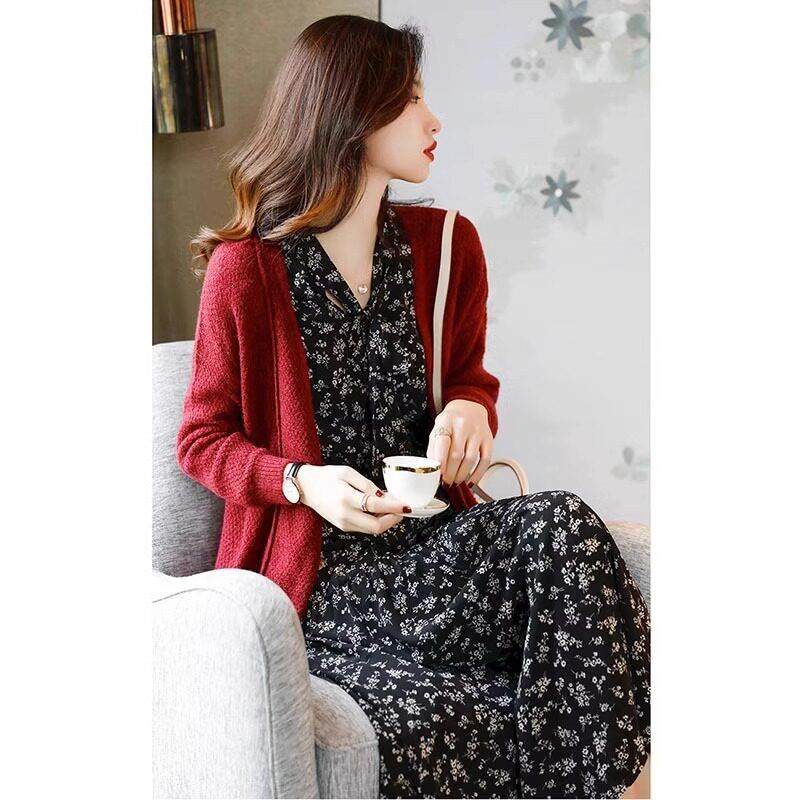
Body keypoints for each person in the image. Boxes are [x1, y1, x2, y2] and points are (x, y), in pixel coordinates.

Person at [178, 14, 650, 799]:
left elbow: (468, 378)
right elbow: (202, 439)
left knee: (562, 522)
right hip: (328, 579)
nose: (434, 121)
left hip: (435, 549)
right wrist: (302, 481)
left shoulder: (446, 247)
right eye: (411, 100)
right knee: (462, 705)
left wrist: (470, 411)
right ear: (350, 112)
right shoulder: (247, 270)